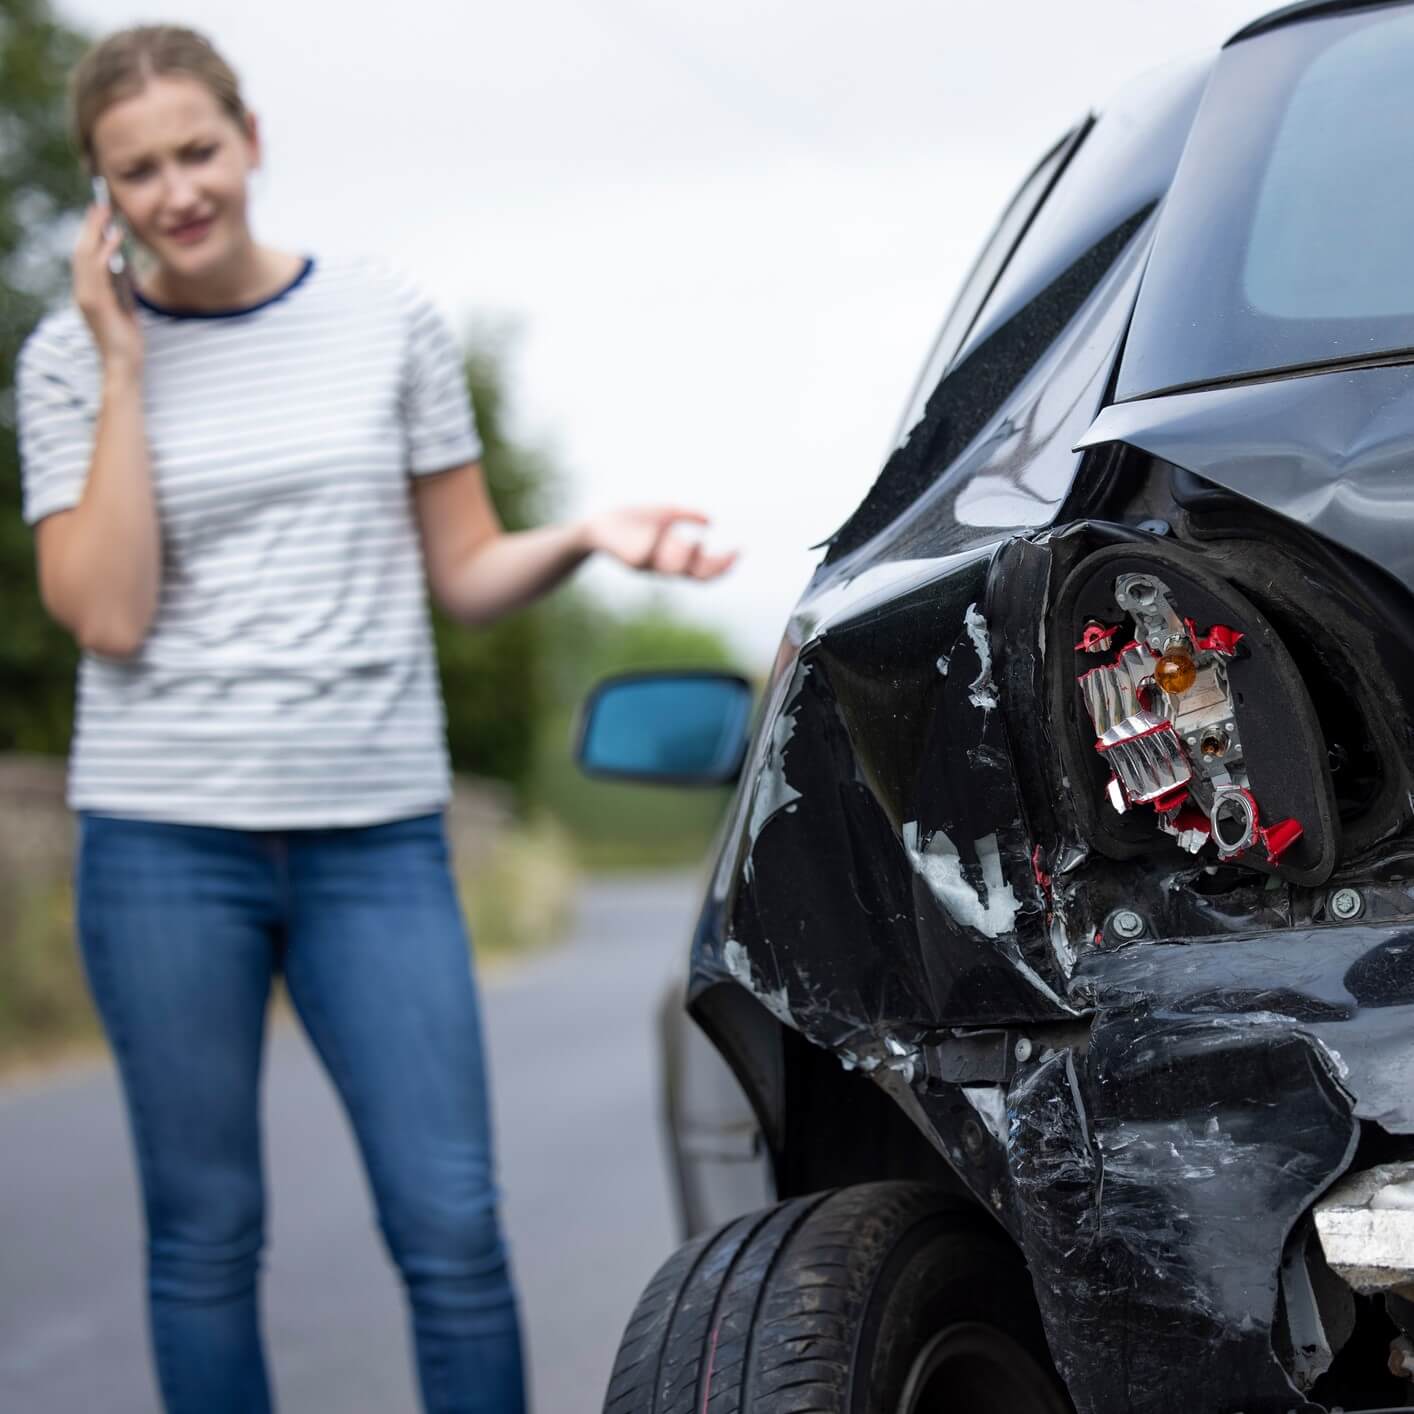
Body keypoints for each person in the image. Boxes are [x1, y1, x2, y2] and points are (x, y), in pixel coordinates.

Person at [15, 24, 735, 1414]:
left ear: (252, 139)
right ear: (101, 193)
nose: (177, 192)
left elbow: (462, 573)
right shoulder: (66, 358)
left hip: (373, 835)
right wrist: (119, 362)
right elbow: (105, 612)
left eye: (197, 150)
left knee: (451, 1224)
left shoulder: (382, 315)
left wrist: (583, 532)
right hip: (165, 842)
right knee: (205, 1236)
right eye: (138, 170)